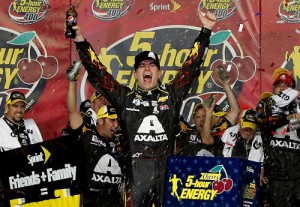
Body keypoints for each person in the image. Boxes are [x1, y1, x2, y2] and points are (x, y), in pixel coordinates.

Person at [70, 10, 217, 207]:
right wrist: (80, 40)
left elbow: (191, 67)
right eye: (141, 66)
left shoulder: (171, 95)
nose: (147, 69)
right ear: (135, 73)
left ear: (159, 73)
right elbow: (98, 72)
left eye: (151, 65)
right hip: (135, 179)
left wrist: (206, 31)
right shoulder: (125, 98)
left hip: (166, 178)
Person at [66, 63, 123, 207]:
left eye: (116, 121)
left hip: (114, 199)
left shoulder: (121, 139)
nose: (116, 125)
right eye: (111, 121)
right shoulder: (87, 135)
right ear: (100, 121)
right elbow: (72, 110)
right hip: (92, 199)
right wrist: (73, 81)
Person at [256, 68, 300, 207]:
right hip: (276, 174)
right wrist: (285, 118)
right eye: (279, 84)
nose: (282, 87)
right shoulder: (265, 103)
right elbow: (261, 121)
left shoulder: (298, 105)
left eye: (286, 85)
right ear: (273, 88)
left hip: (297, 174)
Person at [207, 73, 240, 156]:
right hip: (207, 161)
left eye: (221, 116)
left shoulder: (224, 124)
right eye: (217, 116)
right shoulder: (203, 128)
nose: (220, 119)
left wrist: (226, 86)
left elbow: (236, 110)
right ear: (209, 116)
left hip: (225, 161)